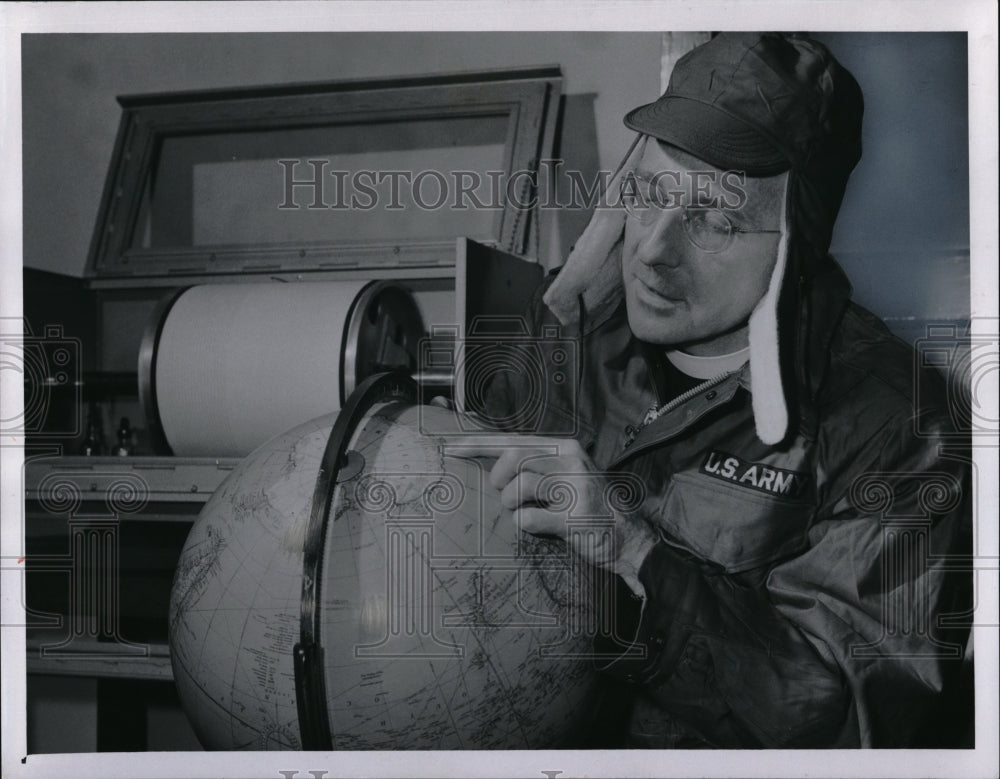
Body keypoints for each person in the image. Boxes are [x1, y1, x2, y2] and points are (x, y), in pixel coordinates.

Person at [472, 32, 972, 748]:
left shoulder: (900, 428)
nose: (652, 250)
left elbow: (852, 723)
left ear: (795, 243)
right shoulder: (563, 345)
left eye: (714, 218)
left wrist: (632, 553)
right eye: (649, 194)